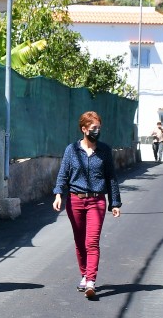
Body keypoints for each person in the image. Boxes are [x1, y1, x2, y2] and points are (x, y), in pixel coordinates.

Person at [52, 111, 122, 299]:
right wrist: (58, 194)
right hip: (75, 200)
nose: (97, 131)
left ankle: (90, 281)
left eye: (99, 128)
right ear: (84, 129)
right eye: (93, 128)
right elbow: (63, 174)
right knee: (80, 241)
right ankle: (84, 274)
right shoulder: (71, 150)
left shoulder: (104, 150)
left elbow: (111, 177)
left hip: (96, 201)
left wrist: (115, 202)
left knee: (92, 241)